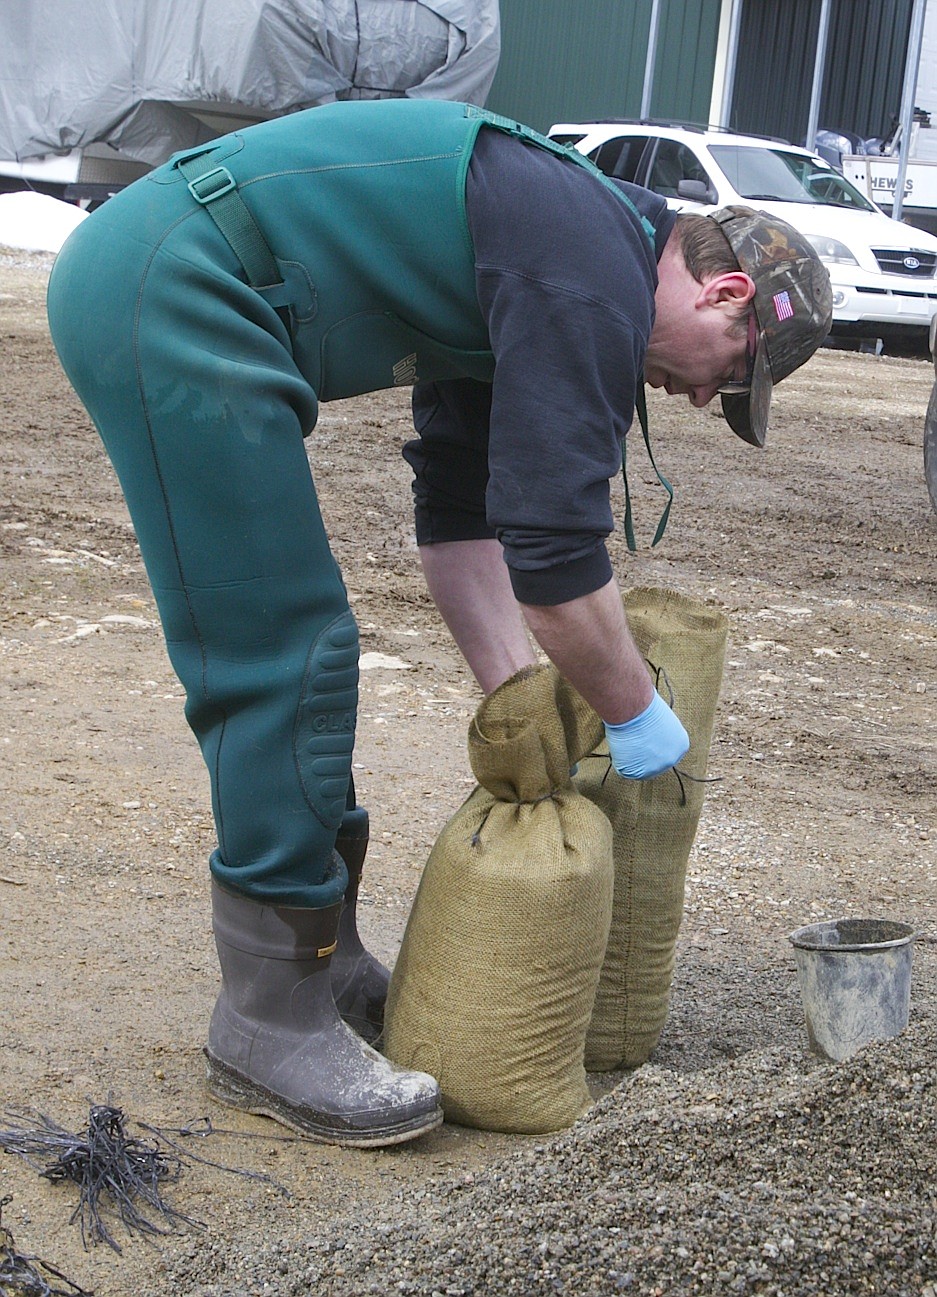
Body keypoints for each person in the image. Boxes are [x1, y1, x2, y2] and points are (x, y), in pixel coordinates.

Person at [46, 98, 832, 1148]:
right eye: (731, 374)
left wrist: (517, 694)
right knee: (283, 647)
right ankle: (266, 1014)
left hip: (190, 278)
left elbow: (459, 517)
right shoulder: (587, 275)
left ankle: (321, 961)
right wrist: (636, 715)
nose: (702, 400)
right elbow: (554, 566)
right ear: (727, 293)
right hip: (171, 286)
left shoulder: (564, 248)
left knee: (308, 646)